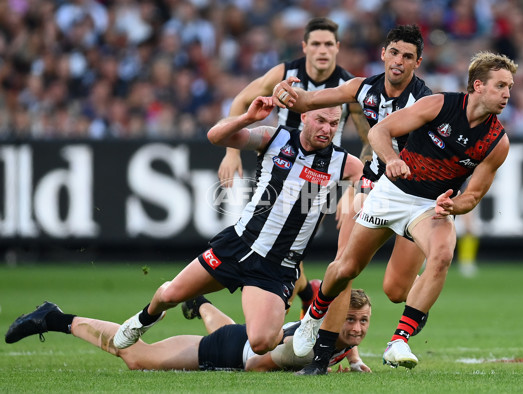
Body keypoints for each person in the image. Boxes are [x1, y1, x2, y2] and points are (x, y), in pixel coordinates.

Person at [291, 51, 518, 371]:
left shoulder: (498, 142)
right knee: (346, 268)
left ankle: (399, 340)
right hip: (392, 193)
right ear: (478, 86)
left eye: (510, 86)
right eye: (501, 86)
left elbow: (475, 194)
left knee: (442, 254)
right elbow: (379, 132)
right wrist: (392, 160)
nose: (508, 94)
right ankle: (312, 318)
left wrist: (455, 205)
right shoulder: (438, 104)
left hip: (430, 207)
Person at [111, 96, 363, 355]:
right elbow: (215, 137)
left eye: (333, 124)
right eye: (320, 120)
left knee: (261, 343)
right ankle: (145, 319)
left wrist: (353, 194)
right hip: (239, 243)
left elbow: (363, 179)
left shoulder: (343, 163)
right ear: (305, 117)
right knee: (170, 296)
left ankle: (296, 323)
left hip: (276, 267)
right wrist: (246, 118)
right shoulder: (275, 138)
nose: (326, 129)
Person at [272, 24, 432, 374]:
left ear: (417, 62)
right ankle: (320, 355)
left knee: (395, 289)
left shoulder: (425, 102)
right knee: (343, 268)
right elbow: (309, 101)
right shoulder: (363, 88)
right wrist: (284, 93)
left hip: (412, 196)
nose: (399, 61)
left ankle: (421, 297)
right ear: (383, 54)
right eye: (394, 53)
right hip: (372, 188)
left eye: (408, 56)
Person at [216, 17, 371, 318]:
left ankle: (289, 298)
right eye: (316, 44)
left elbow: (370, 140)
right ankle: (301, 294)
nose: (322, 50)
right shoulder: (285, 73)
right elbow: (239, 101)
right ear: (305, 47)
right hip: (278, 164)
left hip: (320, 175)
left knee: (284, 242)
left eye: (328, 44)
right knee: (275, 240)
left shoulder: (349, 86)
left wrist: (353, 189)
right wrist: (231, 154)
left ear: (338, 48)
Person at [4, 289, 372, 373]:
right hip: (226, 351)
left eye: (363, 321)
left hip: (241, 337)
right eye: (350, 320)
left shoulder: (331, 336)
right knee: (136, 357)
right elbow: (258, 366)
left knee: (236, 330)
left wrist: (353, 359)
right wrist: (310, 374)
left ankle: (200, 302)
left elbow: (339, 336)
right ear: (332, 322)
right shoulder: (306, 349)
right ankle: (56, 319)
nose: (356, 329)